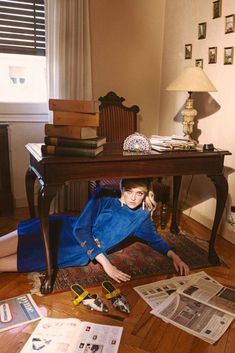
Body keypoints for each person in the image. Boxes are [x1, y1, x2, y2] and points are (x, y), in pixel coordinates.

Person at [0, 178, 189, 281]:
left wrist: (175, 256)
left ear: (146, 194)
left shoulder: (141, 216)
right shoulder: (103, 196)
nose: (132, 198)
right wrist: (107, 264)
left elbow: (154, 239)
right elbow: (81, 230)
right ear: (121, 187)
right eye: (128, 191)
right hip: (62, 227)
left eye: (139, 193)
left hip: (72, 251)